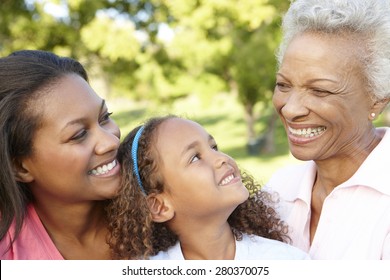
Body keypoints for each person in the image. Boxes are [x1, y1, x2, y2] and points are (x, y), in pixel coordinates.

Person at [266, 0, 390, 259]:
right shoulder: (277, 191)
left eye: (320, 90)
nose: (290, 109)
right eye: (284, 85)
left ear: (377, 99)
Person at [106, 115, 309, 260]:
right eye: (195, 157)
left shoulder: (285, 262)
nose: (221, 159)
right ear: (160, 206)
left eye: (213, 147)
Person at [0, 50, 121, 259]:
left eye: (105, 118)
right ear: (19, 167)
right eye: (79, 134)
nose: (111, 142)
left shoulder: (166, 205)